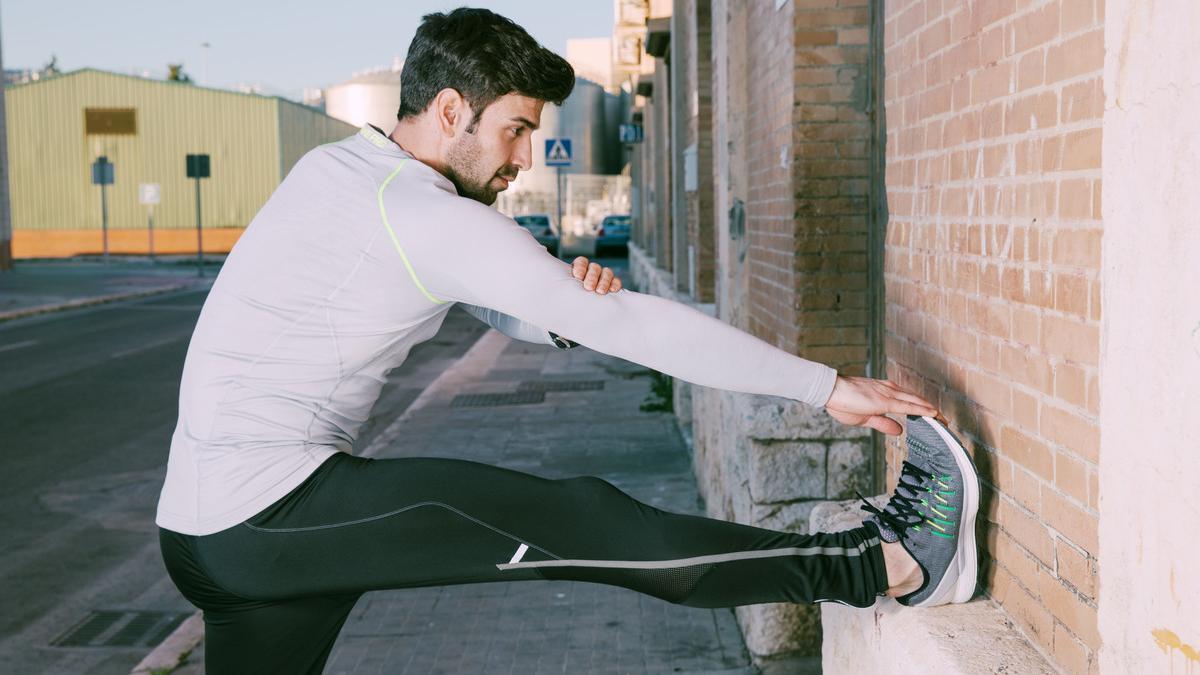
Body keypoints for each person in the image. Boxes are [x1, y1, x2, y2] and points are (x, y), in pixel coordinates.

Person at [156, 8, 979, 673]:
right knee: (583, 522)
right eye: (514, 129)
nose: (523, 157)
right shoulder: (423, 214)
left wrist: (548, 309)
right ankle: (886, 566)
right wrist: (829, 388)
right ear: (450, 110)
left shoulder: (338, 173)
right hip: (268, 512)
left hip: (201, 530)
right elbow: (631, 325)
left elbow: (465, 292)